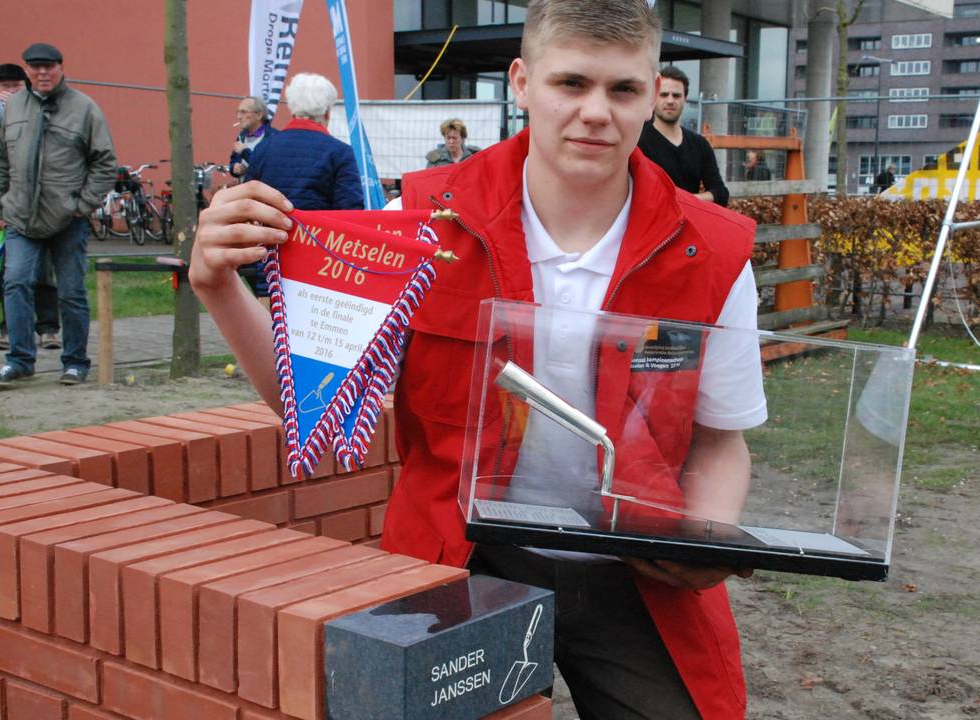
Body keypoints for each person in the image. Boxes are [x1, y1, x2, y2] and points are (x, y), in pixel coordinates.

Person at [189, 2, 764, 717]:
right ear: (521, 83)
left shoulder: (711, 251)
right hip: (458, 555)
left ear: (655, 94)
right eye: (571, 83)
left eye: (622, 90)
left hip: (636, 571)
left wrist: (705, 538)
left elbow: (719, 441)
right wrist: (216, 286)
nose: (595, 112)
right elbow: (306, 399)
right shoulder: (428, 220)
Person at [0, 42, 116, 387]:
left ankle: (75, 363)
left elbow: (105, 162)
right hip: (20, 218)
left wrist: (81, 205)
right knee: (15, 284)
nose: (43, 73)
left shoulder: (84, 108)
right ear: (26, 71)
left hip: (67, 219)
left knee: (71, 292)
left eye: (49, 67)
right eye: (35, 67)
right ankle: (19, 360)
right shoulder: (14, 107)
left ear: (60, 68)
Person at [0, 62, 61, 351]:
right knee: (9, 273)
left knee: (43, 268)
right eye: (4, 87)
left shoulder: (39, 112)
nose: (10, 92)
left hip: (36, 205)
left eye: (16, 87)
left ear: (26, 87)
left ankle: (48, 328)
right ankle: (10, 329)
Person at [245, 73, 365, 212]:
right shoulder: (341, 152)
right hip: (320, 233)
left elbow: (249, 199)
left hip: (271, 232)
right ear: (327, 113)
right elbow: (350, 209)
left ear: (293, 111)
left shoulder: (263, 148)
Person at [636, 65, 729, 206]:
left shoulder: (699, 144)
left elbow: (721, 193)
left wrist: (685, 201)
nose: (670, 101)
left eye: (676, 95)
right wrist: (693, 200)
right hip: (655, 225)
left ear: (685, 99)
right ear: (653, 98)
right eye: (664, 94)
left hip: (690, 224)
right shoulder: (638, 143)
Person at [229, 95, 277, 179]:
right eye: (238, 112)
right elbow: (233, 161)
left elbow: (266, 167)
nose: (239, 117)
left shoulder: (274, 137)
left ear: (259, 115)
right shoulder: (242, 136)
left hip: (263, 191)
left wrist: (244, 152)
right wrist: (235, 168)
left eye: (243, 112)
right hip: (244, 190)